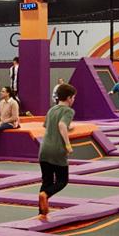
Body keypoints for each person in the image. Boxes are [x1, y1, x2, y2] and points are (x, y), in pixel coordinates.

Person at [38, 83, 77, 216]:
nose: (73, 100)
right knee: (62, 180)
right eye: (73, 98)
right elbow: (61, 125)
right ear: (69, 98)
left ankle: (41, 213)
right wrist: (68, 145)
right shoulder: (68, 111)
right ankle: (46, 194)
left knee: (47, 181)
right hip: (57, 150)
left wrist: (68, 127)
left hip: (44, 150)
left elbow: (47, 126)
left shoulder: (51, 110)